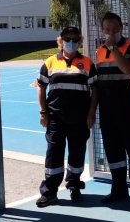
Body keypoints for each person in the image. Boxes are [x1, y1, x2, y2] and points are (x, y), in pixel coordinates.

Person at [35, 26, 98, 208]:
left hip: (80, 118)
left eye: (75, 39)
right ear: (60, 41)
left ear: (80, 42)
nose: (70, 42)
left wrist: (91, 113)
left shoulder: (87, 63)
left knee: (77, 152)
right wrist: (43, 112)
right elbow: (41, 87)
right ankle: (49, 192)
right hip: (55, 118)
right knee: (54, 154)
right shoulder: (50, 63)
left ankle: (74, 185)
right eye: (67, 38)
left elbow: (95, 90)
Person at [95, 11, 130, 210]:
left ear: (122, 28)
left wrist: (115, 50)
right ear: (102, 30)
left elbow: (128, 69)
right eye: (107, 29)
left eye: (115, 29)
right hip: (107, 106)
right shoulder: (99, 51)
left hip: (126, 105)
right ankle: (118, 189)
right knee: (113, 151)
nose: (111, 32)